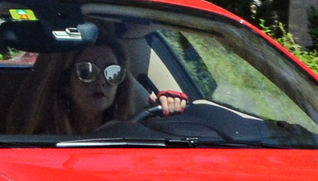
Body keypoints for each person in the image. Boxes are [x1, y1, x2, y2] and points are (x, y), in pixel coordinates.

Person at [14, 22, 190, 137]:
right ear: (66, 84)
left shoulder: (131, 135)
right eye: (87, 70)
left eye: (112, 72)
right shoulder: (41, 141)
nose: (101, 81)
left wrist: (168, 111)